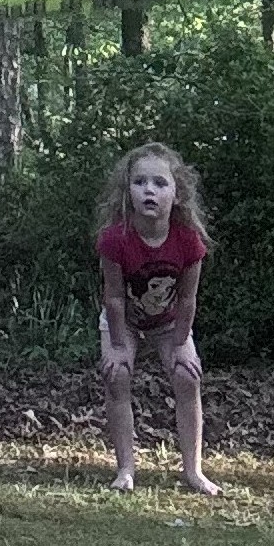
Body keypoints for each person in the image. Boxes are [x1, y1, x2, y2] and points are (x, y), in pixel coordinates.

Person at [94, 142, 217, 495]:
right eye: (140, 182)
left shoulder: (188, 241)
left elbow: (188, 298)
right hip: (126, 321)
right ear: (127, 191)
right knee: (117, 375)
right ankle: (125, 469)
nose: (150, 190)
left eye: (160, 183)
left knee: (187, 376)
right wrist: (117, 346)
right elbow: (114, 297)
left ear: (176, 194)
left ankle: (193, 470)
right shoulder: (116, 239)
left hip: (169, 322)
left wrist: (180, 346)